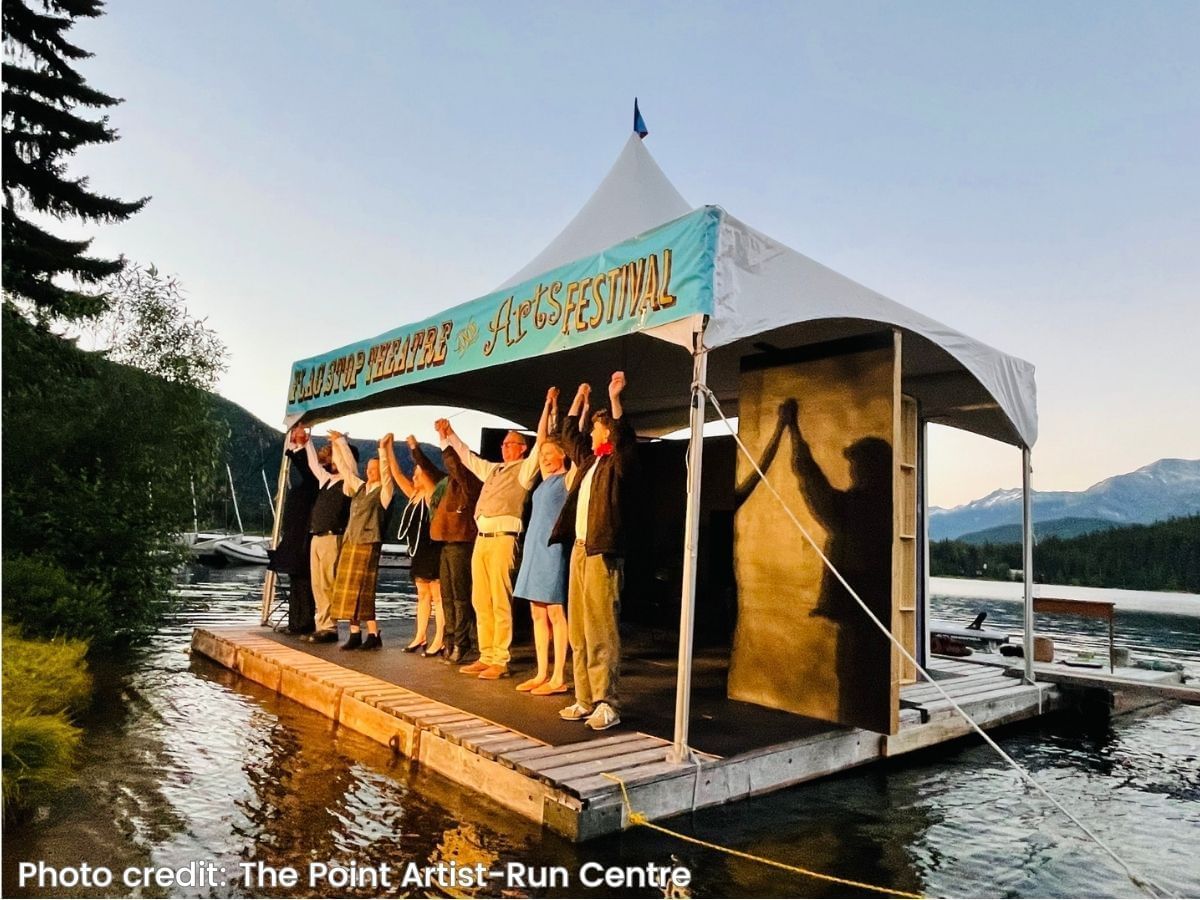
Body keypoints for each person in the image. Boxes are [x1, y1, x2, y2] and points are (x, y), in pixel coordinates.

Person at [552, 371, 637, 731]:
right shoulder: (589, 462)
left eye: (596, 429)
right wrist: (579, 400)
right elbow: (568, 434)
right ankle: (584, 698)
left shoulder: (619, 461)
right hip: (580, 550)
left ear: (606, 431)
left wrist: (614, 399)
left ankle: (607, 701)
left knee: (602, 628)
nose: (591, 433)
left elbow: (625, 437)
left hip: (603, 550)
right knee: (580, 631)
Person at [435, 418, 538, 680]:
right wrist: (448, 435)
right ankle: (487, 654)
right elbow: (467, 456)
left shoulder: (525, 470)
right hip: (482, 538)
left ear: (522, 448)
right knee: (480, 599)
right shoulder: (493, 470)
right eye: (503, 444)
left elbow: (542, 445)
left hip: (504, 537)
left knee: (499, 598)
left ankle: (500, 659)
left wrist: (548, 412)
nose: (504, 448)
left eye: (510, 444)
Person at [512, 387, 572, 695]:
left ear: (563, 455)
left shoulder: (567, 478)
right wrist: (548, 404)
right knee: (537, 611)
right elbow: (540, 438)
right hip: (534, 549)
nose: (546, 458)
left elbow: (565, 435)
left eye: (551, 454)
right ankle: (541, 672)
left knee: (555, 612)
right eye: (544, 455)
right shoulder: (544, 479)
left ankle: (559, 676)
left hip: (552, 550)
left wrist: (571, 406)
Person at [412, 438, 480, 663]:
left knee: (460, 597)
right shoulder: (447, 482)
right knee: (448, 596)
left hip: (462, 544)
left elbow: (454, 465)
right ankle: (450, 639)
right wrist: (415, 449)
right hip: (446, 544)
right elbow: (428, 468)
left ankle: (462, 642)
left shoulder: (469, 482)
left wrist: (445, 441)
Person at [328, 431, 395, 650]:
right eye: (369, 469)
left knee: (364, 591)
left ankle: (374, 635)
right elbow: (346, 471)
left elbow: (386, 474)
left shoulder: (384, 492)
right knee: (347, 591)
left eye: (374, 469)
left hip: (368, 543)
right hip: (351, 541)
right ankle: (355, 633)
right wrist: (337, 444)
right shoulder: (360, 488)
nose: (371, 472)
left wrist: (382, 451)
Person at [385, 434, 447, 655]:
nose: (414, 477)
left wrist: (416, 452)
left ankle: (440, 637)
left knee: (438, 595)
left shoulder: (432, 495)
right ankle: (420, 635)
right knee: (422, 595)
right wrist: (388, 450)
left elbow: (427, 477)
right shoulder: (414, 495)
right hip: (420, 549)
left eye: (418, 474)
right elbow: (397, 474)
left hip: (434, 548)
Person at [269, 425, 320, 635]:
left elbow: (308, 469)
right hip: (294, 536)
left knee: (303, 582)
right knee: (295, 580)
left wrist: (300, 446)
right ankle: (295, 622)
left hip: (304, 538)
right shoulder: (306, 486)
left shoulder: (315, 482)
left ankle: (304, 623)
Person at [303, 436, 353, 644]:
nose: (329, 463)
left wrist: (340, 443)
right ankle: (322, 624)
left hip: (332, 537)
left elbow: (348, 465)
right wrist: (307, 442)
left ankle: (330, 627)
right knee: (317, 584)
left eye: (333, 460)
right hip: (317, 536)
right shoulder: (326, 481)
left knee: (327, 583)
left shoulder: (348, 483)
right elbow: (313, 463)